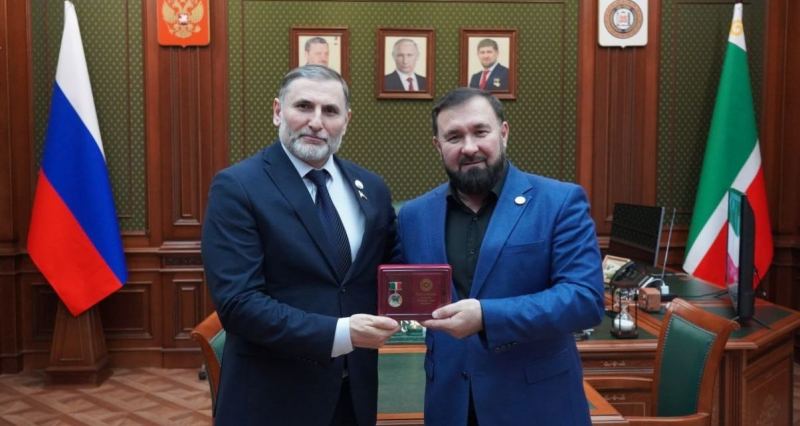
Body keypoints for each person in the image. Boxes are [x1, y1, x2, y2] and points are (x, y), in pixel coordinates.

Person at [202, 65, 400, 426]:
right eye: (304, 106)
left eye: (330, 111)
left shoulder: (372, 188)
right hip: (272, 397)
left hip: (353, 395)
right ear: (278, 111)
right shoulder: (238, 187)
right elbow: (238, 304)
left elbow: (386, 272)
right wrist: (341, 334)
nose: (316, 122)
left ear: (346, 120)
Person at [395, 88, 605, 425]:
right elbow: (398, 291)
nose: (469, 147)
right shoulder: (413, 216)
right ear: (438, 145)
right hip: (449, 405)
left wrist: (486, 316)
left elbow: (585, 300)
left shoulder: (559, 202)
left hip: (537, 406)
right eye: (454, 137)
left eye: (480, 131)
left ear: (503, 133)